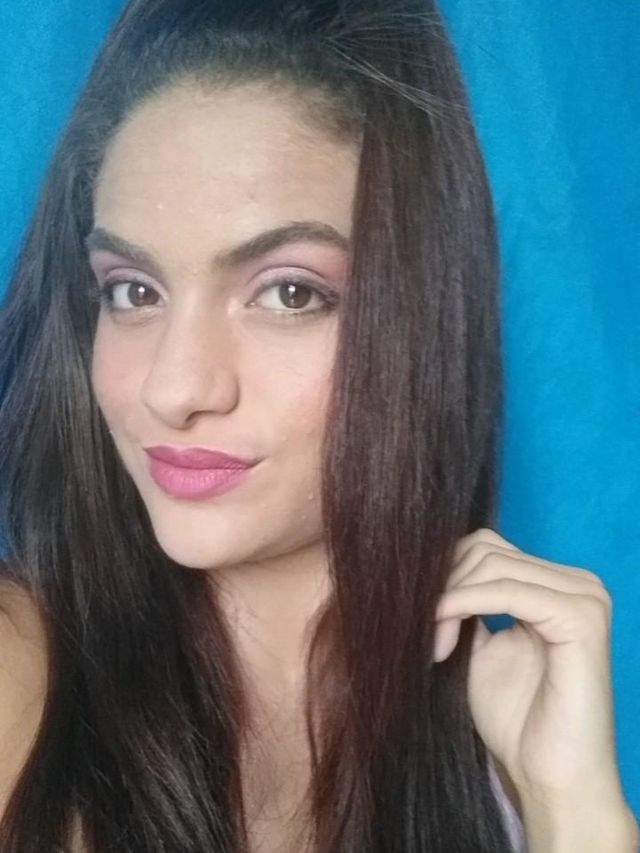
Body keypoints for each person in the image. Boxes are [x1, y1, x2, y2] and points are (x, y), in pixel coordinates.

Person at [1, 1, 637, 851]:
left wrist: (577, 810)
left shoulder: (504, 739)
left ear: (416, 315)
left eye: (289, 292)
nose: (175, 389)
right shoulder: (16, 676)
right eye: (133, 291)